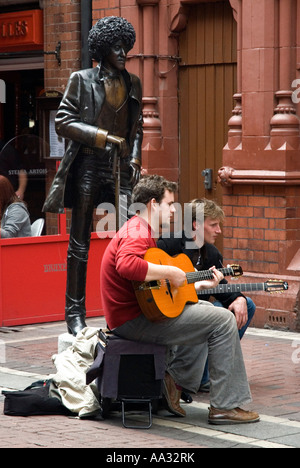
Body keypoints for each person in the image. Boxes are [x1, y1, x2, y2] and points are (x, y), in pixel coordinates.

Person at [100, 174, 259, 425]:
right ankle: (224, 407)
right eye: (170, 204)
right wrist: (172, 272)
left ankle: (174, 383)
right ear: (153, 204)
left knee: (203, 307)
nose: (175, 210)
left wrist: (197, 284)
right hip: (134, 321)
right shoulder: (137, 231)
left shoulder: (139, 229)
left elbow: (151, 287)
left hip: (137, 315)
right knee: (223, 320)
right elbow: (127, 265)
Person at [43, 16, 143, 336]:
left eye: (125, 47)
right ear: (102, 48)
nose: (123, 53)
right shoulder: (81, 79)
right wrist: (103, 136)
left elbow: (137, 128)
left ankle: (129, 311)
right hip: (88, 164)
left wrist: (136, 156)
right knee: (80, 242)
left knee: (130, 240)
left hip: (121, 169)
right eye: (116, 48)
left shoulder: (133, 82)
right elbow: (64, 121)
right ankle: (74, 312)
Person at [157, 198, 256, 395]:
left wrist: (239, 298)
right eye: (214, 225)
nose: (219, 230)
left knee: (247, 304)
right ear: (196, 225)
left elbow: (220, 285)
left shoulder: (211, 253)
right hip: (173, 311)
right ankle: (201, 378)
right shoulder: (169, 244)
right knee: (216, 312)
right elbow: (157, 282)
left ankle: (215, 368)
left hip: (198, 308)